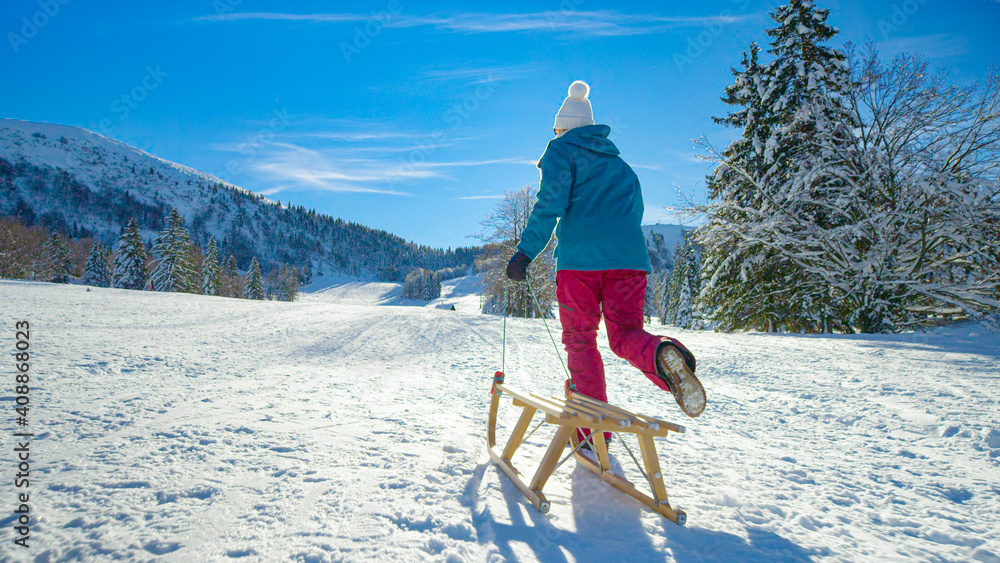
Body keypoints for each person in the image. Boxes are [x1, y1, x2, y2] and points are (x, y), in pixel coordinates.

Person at [505, 80, 706, 428]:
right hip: (629, 262)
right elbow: (634, 212)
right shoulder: (622, 166)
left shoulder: (560, 150)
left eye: (556, 128)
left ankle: (590, 434)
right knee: (625, 333)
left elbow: (549, 204)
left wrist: (525, 253)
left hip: (580, 264)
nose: (554, 133)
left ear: (564, 127)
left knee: (581, 341)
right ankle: (661, 354)